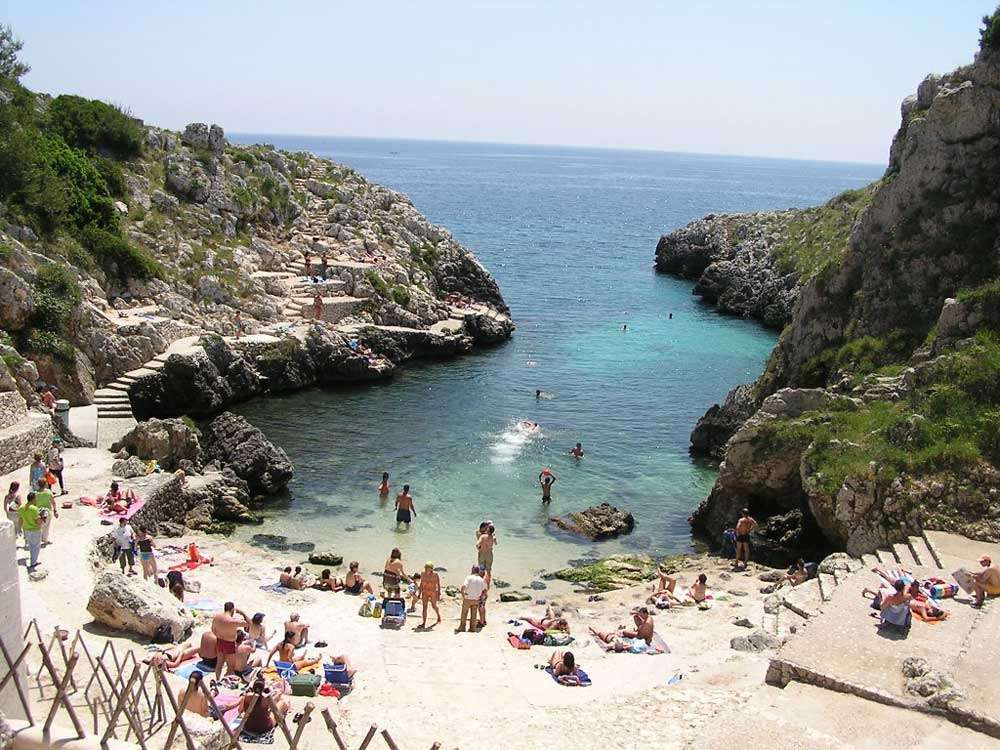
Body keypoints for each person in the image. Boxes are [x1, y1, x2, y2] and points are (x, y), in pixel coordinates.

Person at [211, 602, 250, 678]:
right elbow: (249, 623)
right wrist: (242, 613)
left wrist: (220, 635)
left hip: (220, 641)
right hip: (230, 644)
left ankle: (217, 680)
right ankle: (228, 683)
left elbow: (213, 630)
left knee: (219, 665)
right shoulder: (233, 621)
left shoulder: (217, 617)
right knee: (231, 667)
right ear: (232, 610)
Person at [589, 607, 655, 650]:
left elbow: (642, 634)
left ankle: (594, 630)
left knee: (624, 632)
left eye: (641, 614)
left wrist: (637, 630)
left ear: (645, 613)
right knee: (635, 617)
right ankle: (595, 630)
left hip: (642, 637)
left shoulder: (647, 623)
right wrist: (636, 613)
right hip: (616, 640)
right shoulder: (648, 617)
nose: (640, 616)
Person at [456, 565, 486, 633]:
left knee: (464, 613)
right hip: (476, 599)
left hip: (468, 598)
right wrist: (481, 597)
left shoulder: (469, 577)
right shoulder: (481, 580)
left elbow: (463, 587)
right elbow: (485, 590)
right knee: (474, 614)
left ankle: (462, 627)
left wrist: (463, 595)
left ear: (473, 570)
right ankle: (472, 628)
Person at [18, 492, 42, 569]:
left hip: (26, 529)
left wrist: (19, 529)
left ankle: (33, 560)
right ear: (33, 499)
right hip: (35, 530)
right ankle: (33, 562)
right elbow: (38, 521)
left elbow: (20, 519)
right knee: (36, 546)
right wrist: (42, 520)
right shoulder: (34, 509)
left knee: (31, 545)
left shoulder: (21, 508)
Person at [419, 562, 442, 629]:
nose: (426, 569)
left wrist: (439, 594)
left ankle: (438, 616)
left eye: (428, 568)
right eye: (426, 568)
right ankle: (424, 623)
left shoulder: (435, 575)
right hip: (425, 592)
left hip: (433, 592)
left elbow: (438, 585)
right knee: (424, 607)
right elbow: (421, 584)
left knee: (434, 606)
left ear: (431, 569)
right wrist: (419, 593)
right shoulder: (422, 574)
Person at [33, 478, 56, 545]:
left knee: (38, 527)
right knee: (46, 527)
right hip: (47, 512)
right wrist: (55, 510)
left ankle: (37, 540)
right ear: (45, 484)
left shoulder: (35, 493)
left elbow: (33, 503)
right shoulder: (48, 492)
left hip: (38, 512)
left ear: (38, 484)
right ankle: (45, 540)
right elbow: (53, 502)